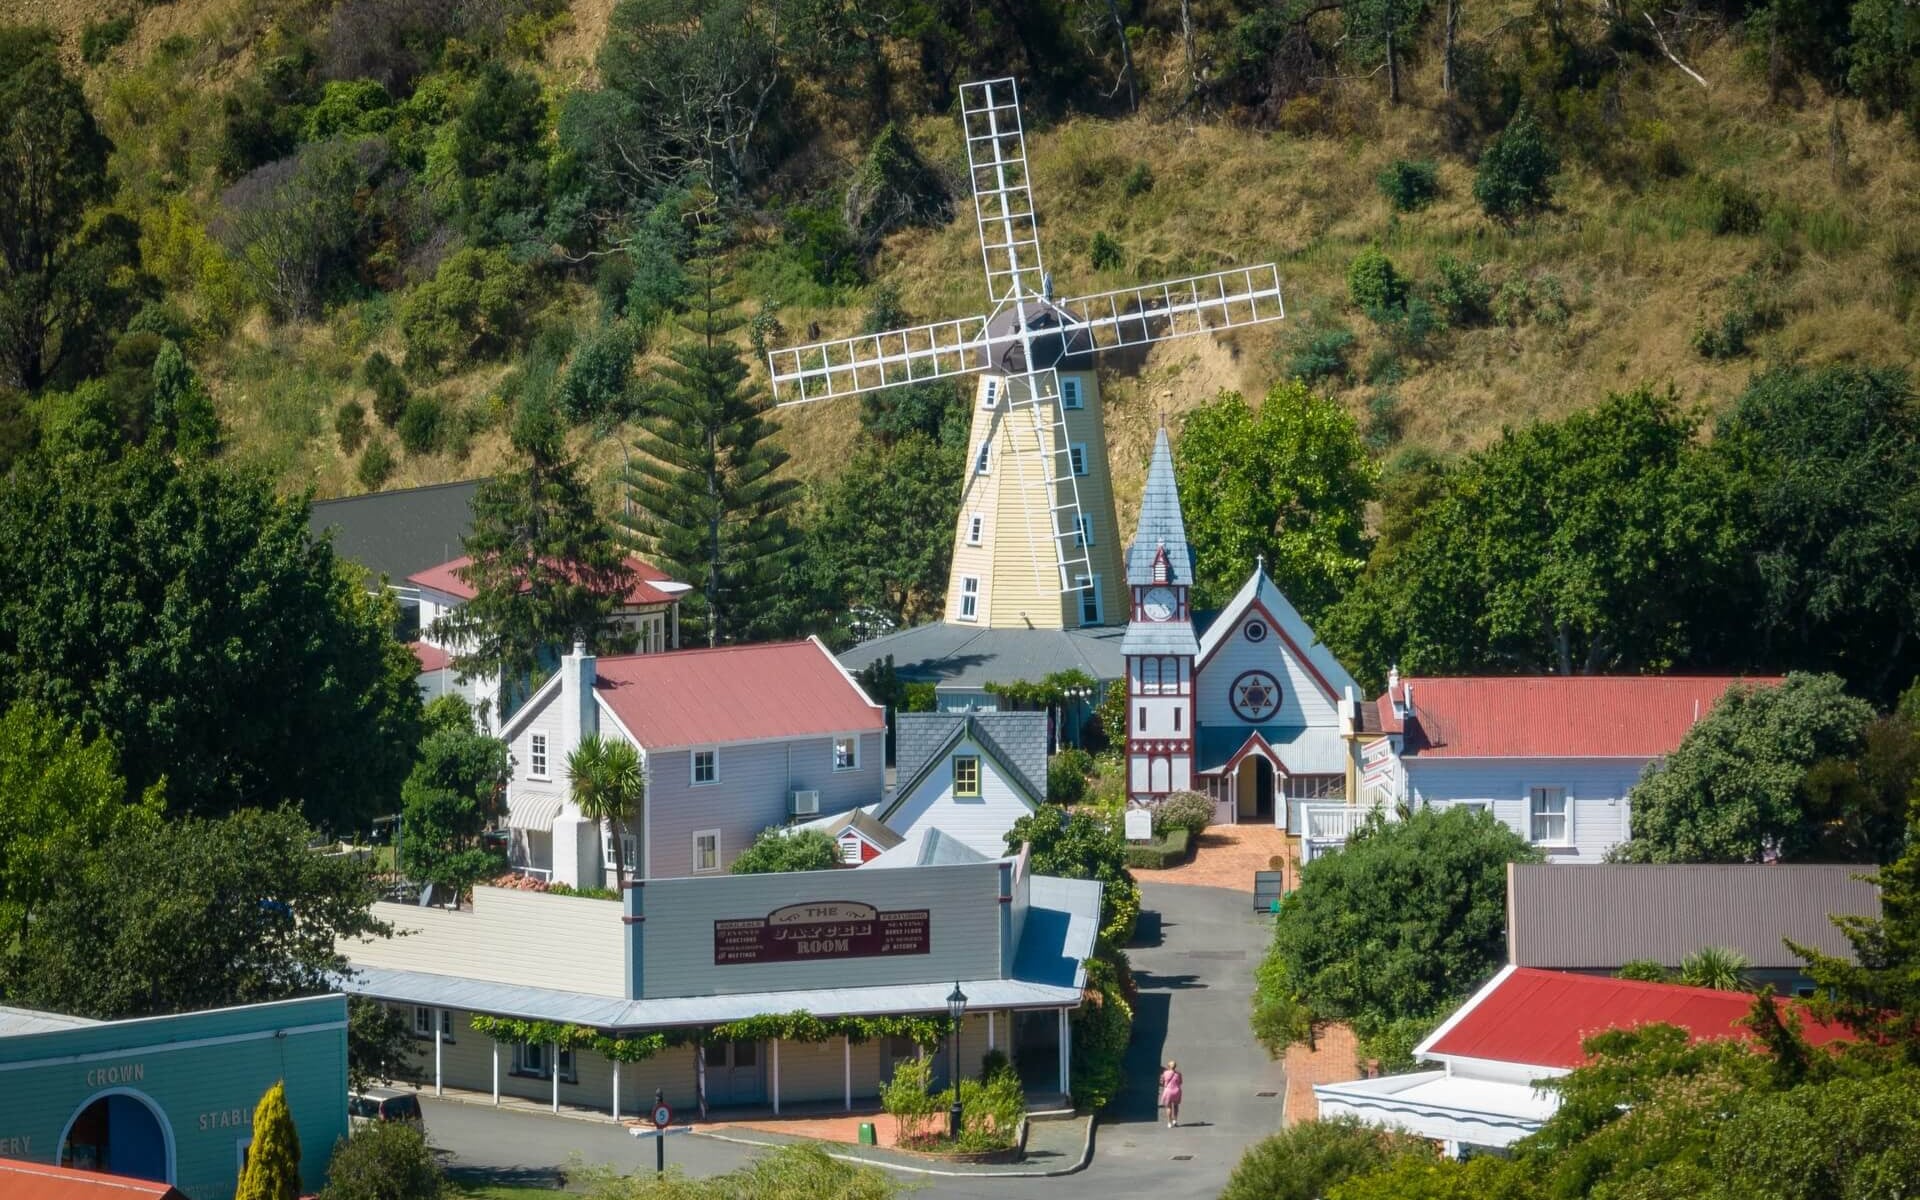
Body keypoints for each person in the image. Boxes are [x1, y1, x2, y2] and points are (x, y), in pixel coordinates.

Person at [1159, 1060, 1183, 1128]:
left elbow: (1162, 1082)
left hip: (1168, 1091)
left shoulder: (1165, 1073)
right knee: (1176, 1106)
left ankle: (1169, 1122)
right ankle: (1175, 1120)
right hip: (1176, 1091)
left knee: (1168, 1107)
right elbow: (1180, 1082)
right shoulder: (1178, 1074)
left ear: (1168, 1066)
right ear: (1175, 1066)